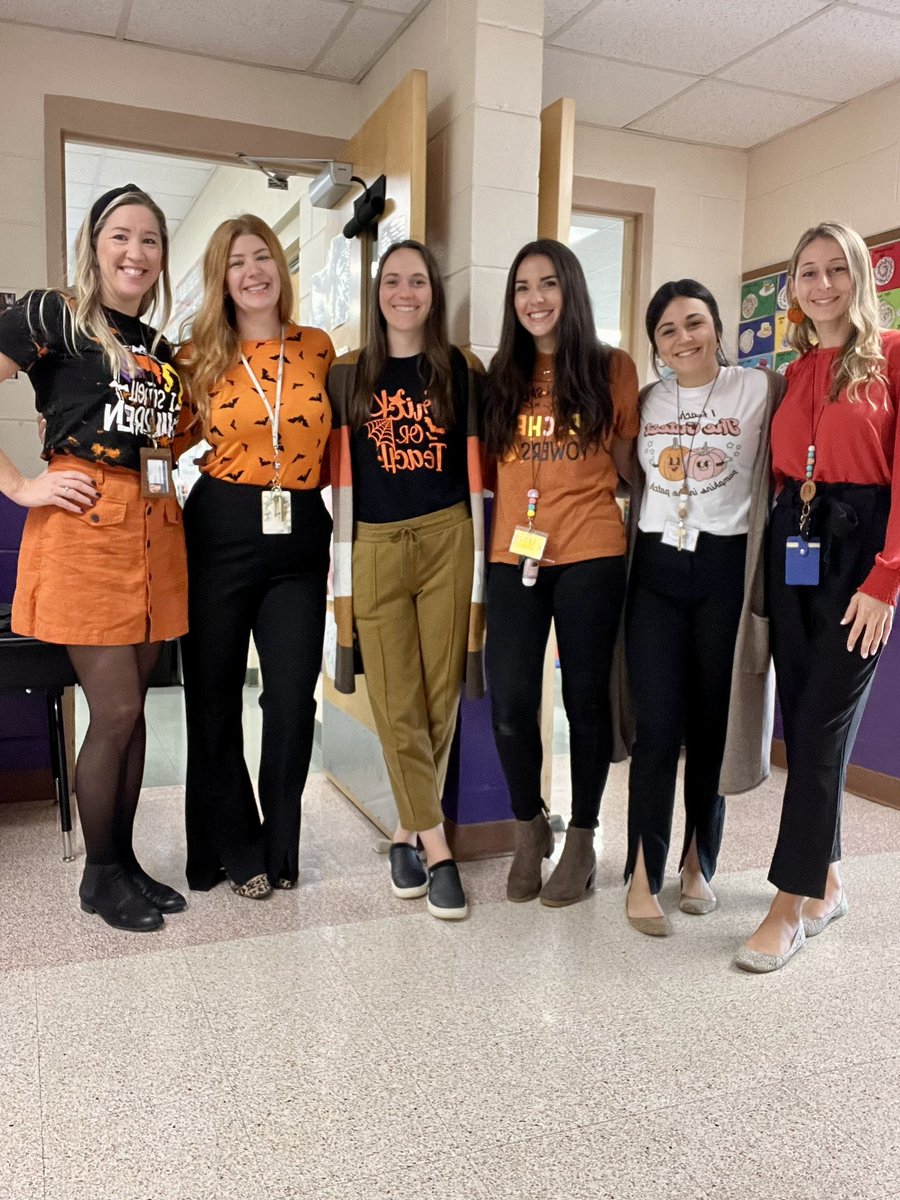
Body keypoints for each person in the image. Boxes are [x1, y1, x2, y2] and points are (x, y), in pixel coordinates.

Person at [0, 184, 187, 932]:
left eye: (149, 240)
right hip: (85, 530)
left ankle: (123, 860)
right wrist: (21, 485)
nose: (135, 252)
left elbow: (169, 440)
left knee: (133, 715)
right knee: (114, 710)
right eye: (120, 236)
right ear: (94, 244)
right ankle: (100, 876)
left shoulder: (161, 350)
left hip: (154, 532)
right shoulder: (55, 315)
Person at [736, 221, 900, 972]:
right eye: (809, 271)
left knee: (823, 727)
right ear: (793, 288)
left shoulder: (891, 356)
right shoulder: (793, 370)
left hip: (859, 552)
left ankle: (788, 902)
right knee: (802, 725)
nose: (823, 283)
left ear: (860, 278)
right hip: (794, 545)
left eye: (838, 269)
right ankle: (828, 880)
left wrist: (885, 578)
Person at [175, 215, 334, 898]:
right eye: (236, 262)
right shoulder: (196, 357)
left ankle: (280, 843)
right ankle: (235, 846)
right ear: (222, 279)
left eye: (262, 256)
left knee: (292, 700)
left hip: (299, 531)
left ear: (279, 266)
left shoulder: (318, 347)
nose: (252, 271)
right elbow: (157, 437)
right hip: (219, 528)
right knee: (213, 699)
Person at [327, 240, 486, 920]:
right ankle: (438, 848)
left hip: (450, 537)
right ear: (377, 293)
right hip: (375, 546)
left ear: (434, 292)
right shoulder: (346, 374)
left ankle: (404, 833)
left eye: (417, 281)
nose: (404, 293)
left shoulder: (462, 369)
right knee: (397, 702)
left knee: (439, 698)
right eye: (392, 281)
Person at [623, 280, 783, 936]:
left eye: (694, 322)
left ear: (717, 326)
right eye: (667, 329)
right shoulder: (648, 400)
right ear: (655, 345)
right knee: (658, 728)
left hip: (725, 571)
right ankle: (641, 872)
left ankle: (698, 863)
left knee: (714, 726)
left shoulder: (761, 390)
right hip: (655, 572)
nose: (683, 338)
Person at [483, 238, 639, 906]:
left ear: (570, 290)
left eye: (548, 284)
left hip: (591, 550)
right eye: (522, 287)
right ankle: (529, 828)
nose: (535, 299)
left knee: (585, 699)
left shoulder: (611, 367)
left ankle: (582, 835)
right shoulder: (501, 373)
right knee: (510, 704)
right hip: (514, 554)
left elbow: (630, 467)